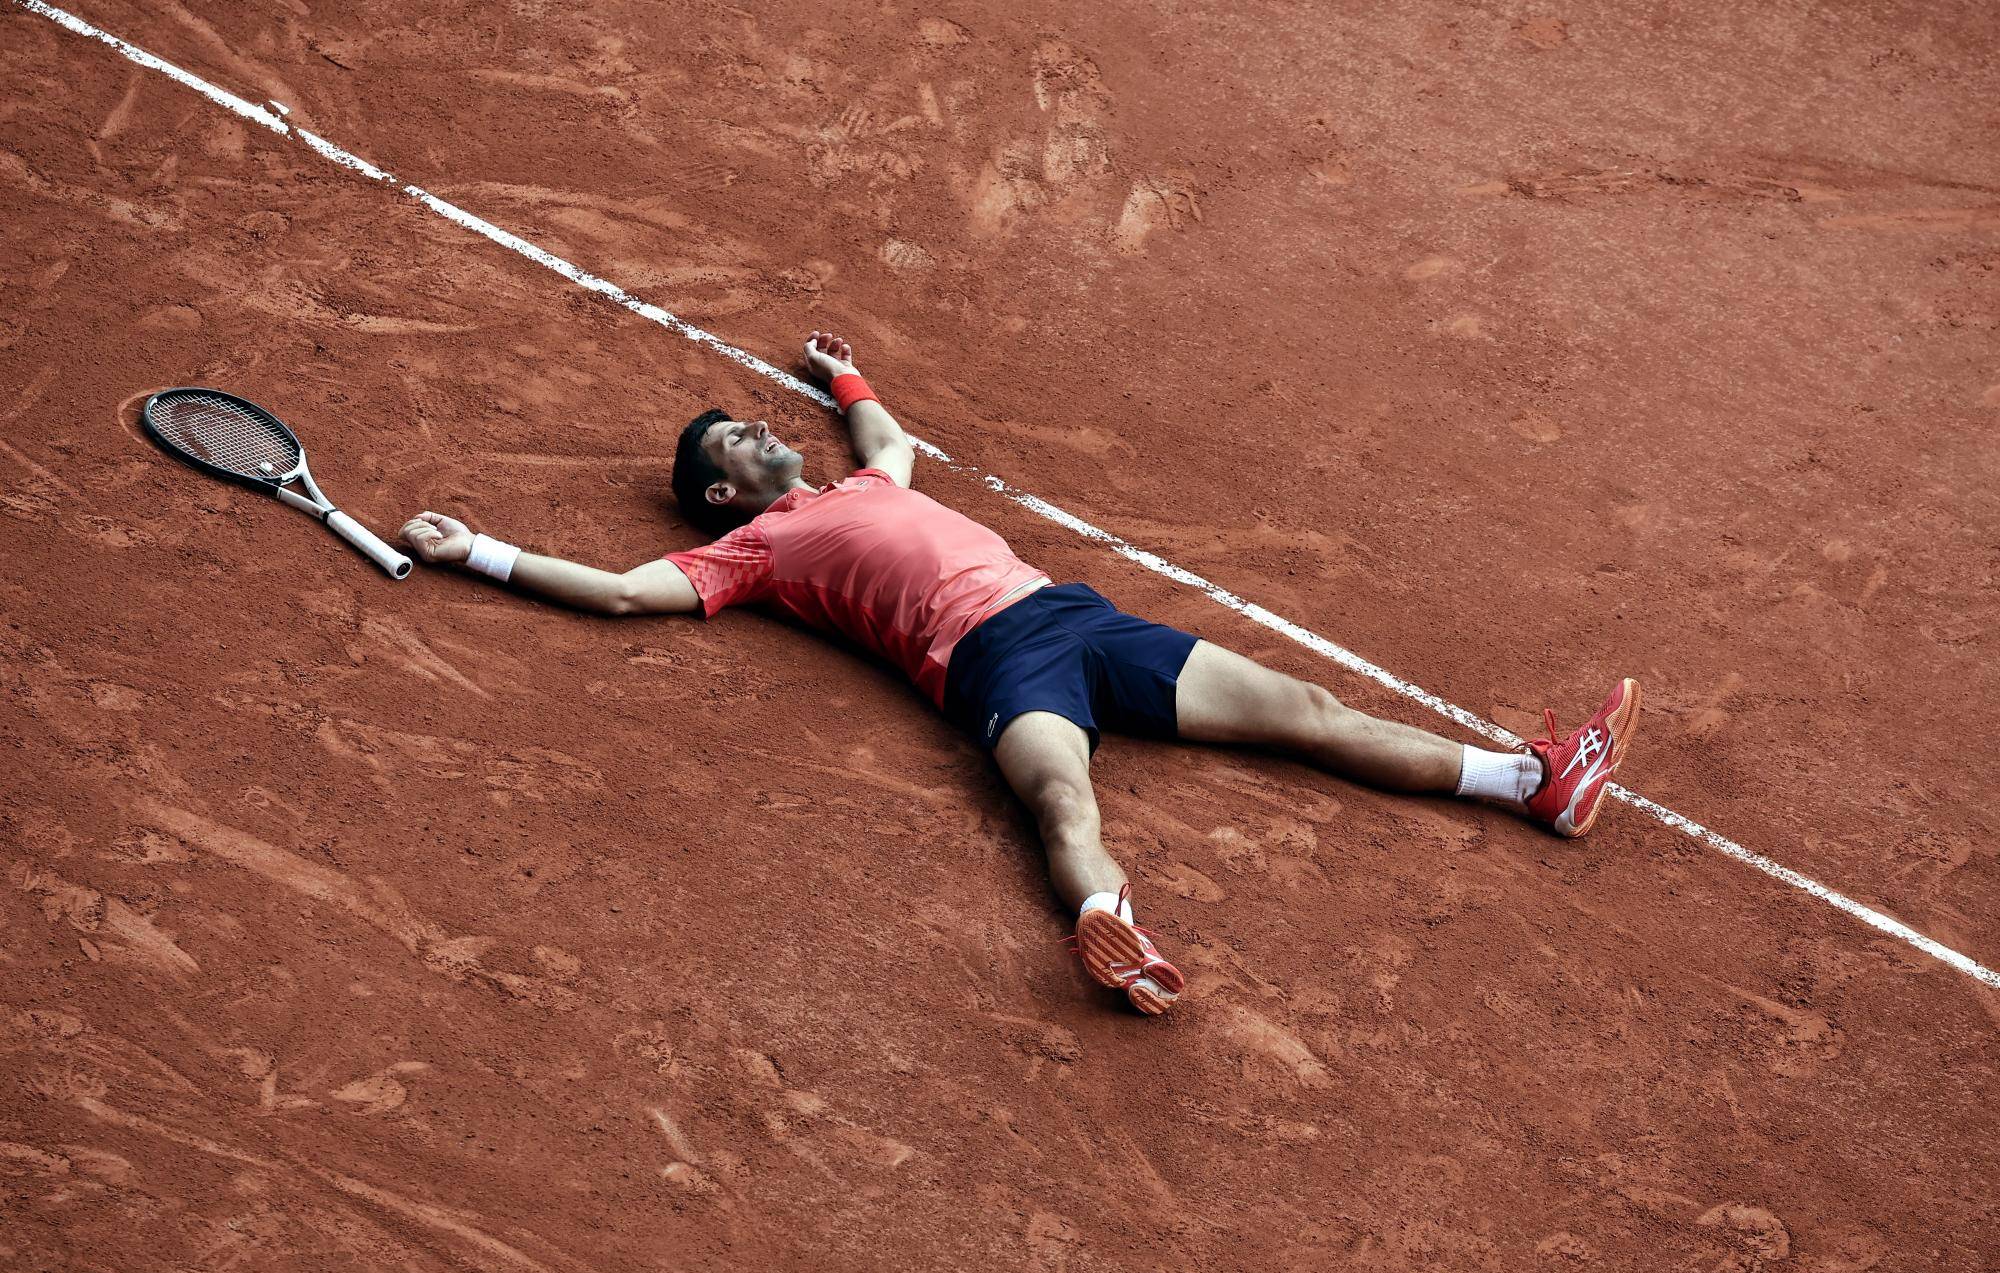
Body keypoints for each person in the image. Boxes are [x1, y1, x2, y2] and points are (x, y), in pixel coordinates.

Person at [400, 331, 1640, 1015]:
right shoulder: (749, 552)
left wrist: (844, 380)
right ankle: (1114, 936)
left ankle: (1525, 781)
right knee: (1061, 802)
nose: (762, 431)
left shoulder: (857, 481)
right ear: (722, 490)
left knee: (1304, 712)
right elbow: (623, 592)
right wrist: (482, 555)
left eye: (757, 419)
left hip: (1078, 620)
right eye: (740, 439)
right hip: (990, 665)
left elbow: (890, 439)